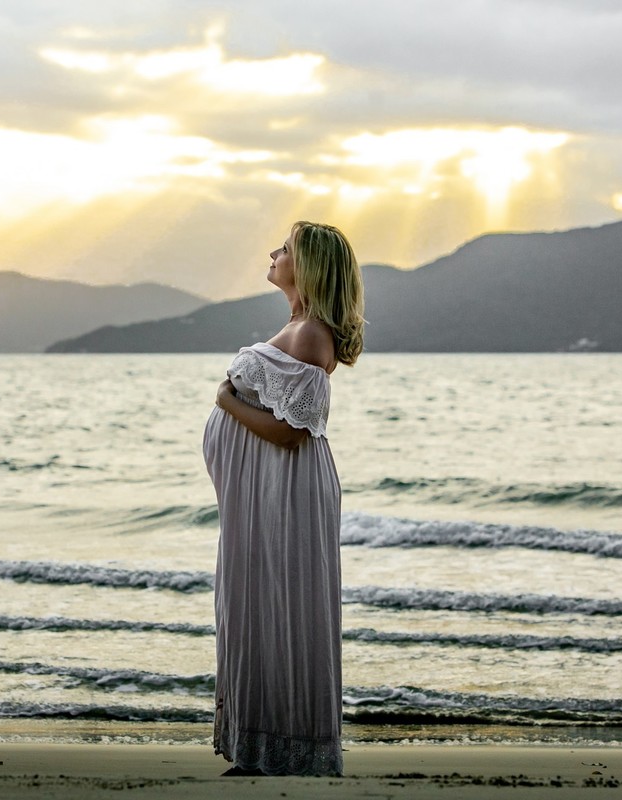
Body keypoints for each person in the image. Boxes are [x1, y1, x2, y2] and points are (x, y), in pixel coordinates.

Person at [202, 221, 365, 777]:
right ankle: (260, 747)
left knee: (280, 607)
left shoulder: (312, 335)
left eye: (287, 249)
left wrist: (225, 400)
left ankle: (287, 748)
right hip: (260, 492)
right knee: (254, 605)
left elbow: (292, 433)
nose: (274, 253)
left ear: (310, 266)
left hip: (284, 489)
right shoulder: (297, 327)